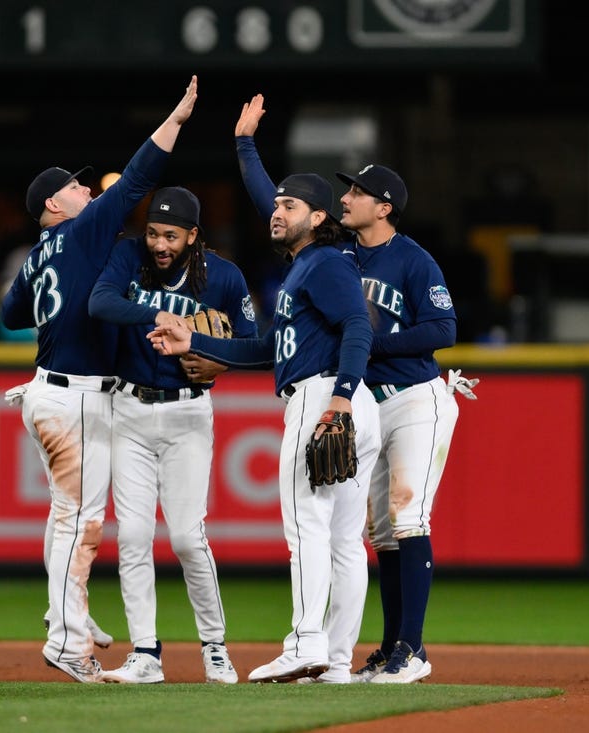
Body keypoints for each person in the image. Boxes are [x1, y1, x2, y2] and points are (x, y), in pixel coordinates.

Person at [237, 94, 475, 684]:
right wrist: (245, 145)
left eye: (356, 193)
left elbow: (444, 328)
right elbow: (281, 206)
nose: (344, 199)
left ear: (384, 206)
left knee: (406, 515)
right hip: (365, 401)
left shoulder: (413, 260)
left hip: (416, 397)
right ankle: (388, 648)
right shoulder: (335, 253)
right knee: (371, 532)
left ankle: (412, 651)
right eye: (342, 194)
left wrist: (369, 347)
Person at [0, 75, 199, 683]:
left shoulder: (37, 252)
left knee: (67, 512)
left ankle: (70, 614)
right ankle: (66, 638)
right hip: (77, 398)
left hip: (47, 390)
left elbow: (11, 315)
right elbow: (138, 177)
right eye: (74, 185)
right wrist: (177, 119)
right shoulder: (81, 231)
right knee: (80, 520)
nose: (87, 187)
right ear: (53, 206)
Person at [148, 172, 380, 685]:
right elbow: (264, 349)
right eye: (276, 204)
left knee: (308, 531)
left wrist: (339, 398)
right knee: (343, 541)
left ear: (318, 218)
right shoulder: (307, 269)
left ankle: (305, 644)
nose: (277, 212)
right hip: (346, 399)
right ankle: (336, 663)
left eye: (290, 205)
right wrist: (194, 345)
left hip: (326, 398)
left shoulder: (322, 264)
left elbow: (359, 326)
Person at [87, 186, 257, 684]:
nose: (160, 245)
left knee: (186, 536)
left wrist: (215, 358)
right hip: (129, 409)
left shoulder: (223, 275)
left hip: (187, 414)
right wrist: (156, 314)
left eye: (171, 236)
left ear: (193, 236)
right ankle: (145, 652)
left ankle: (215, 646)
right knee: (134, 535)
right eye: (155, 233)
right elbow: (101, 303)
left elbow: (251, 340)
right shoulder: (128, 255)